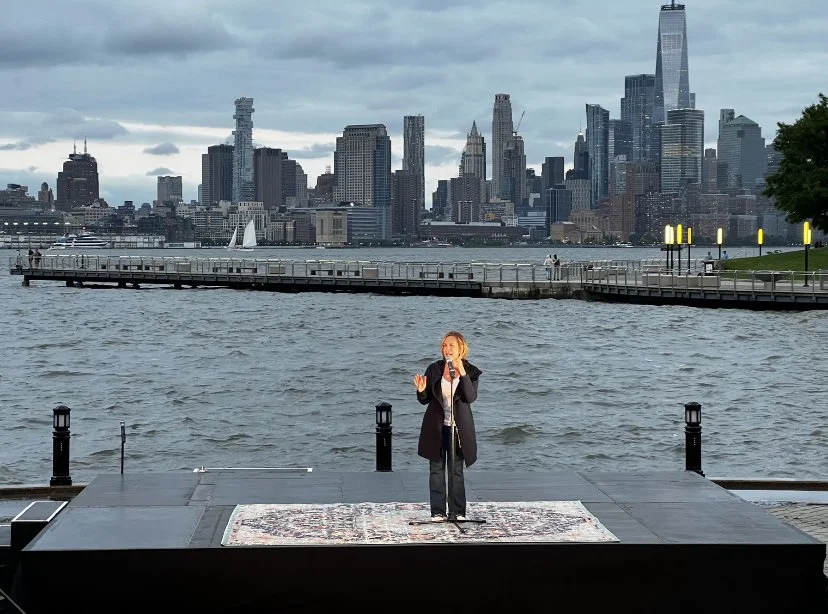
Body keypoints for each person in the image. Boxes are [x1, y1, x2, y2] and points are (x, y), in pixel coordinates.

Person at [413, 331, 482, 522]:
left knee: (455, 470)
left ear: (461, 348)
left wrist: (462, 373)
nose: (447, 349)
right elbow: (425, 399)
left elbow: (470, 397)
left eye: (452, 345)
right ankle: (438, 512)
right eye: (445, 345)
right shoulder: (434, 369)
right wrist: (421, 391)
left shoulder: (472, 371)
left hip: (458, 429)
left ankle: (457, 511)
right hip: (436, 427)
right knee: (436, 470)